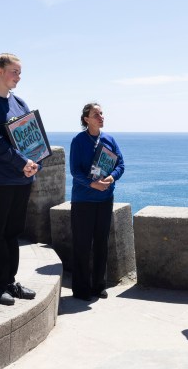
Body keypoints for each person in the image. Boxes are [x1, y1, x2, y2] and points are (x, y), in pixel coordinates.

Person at [0, 53, 39, 306]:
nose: (18, 77)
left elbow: (32, 140)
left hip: (21, 180)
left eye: (20, 72)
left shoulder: (20, 103)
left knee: (13, 233)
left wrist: (35, 164)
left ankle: (10, 281)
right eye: (15, 71)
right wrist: (22, 163)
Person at [68, 102, 124, 301]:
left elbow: (121, 164)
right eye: (96, 114)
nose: (101, 117)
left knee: (101, 243)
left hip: (105, 199)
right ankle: (81, 289)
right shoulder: (78, 141)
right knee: (82, 244)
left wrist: (111, 178)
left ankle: (99, 285)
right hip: (83, 200)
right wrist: (92, 185)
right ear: (86, 119)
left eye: (102, 113)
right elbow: (75, 171)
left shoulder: (109, 140)